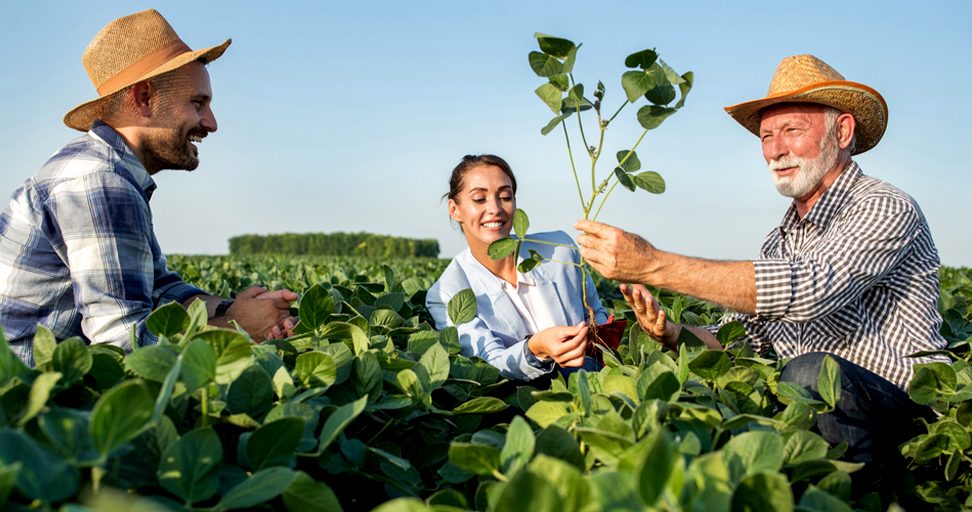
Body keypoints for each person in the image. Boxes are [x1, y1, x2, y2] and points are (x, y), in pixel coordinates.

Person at [574, 55, 945, 476]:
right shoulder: (779, 240)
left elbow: (810, 289)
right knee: (769, 395)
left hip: (904, 415)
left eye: (792, 130)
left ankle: (863, 497)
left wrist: (653, 264)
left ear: (842, 131)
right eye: (766, 135)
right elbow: (743, 339)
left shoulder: (884, 205)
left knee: (808, 372)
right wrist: (673, 333)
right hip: (811, 408)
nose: (775, 150)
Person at [0, 9, 296, 365]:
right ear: (143, 99)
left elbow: (158, 288)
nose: (211, 123)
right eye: (197, 103)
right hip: (21, 394)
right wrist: (237, 329)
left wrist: (235, 308)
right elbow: (120, 341)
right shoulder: (98, 181)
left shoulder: (114, 173)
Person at [426, 155, 608, 381]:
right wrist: (535, 349)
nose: (495, 208)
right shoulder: (447, 292)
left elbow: (596, 312)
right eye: (480, 199)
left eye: (505, 196)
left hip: (595, 386)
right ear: (454, 209)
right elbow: (488, 363)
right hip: (520, 407)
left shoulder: (559, 248)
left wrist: (598, 339)